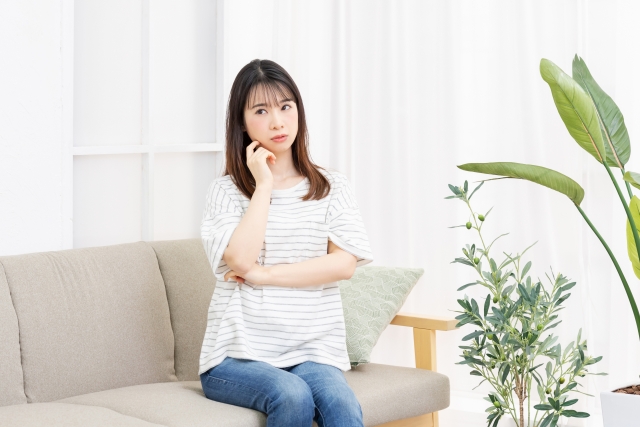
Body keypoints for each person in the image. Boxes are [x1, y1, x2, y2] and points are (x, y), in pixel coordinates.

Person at [199, 58, 374, 427]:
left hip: (310, 352)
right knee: (291, 394)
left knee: (342, 405)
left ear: (298, 112)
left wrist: (265, 276)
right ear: (243, 123)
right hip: (235, 357)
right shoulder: (227, 192)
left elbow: (343, 264)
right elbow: (241, 261)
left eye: (285, 106)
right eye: (261, 110)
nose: (277, 121)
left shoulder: (330, 187)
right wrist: (262, 185)